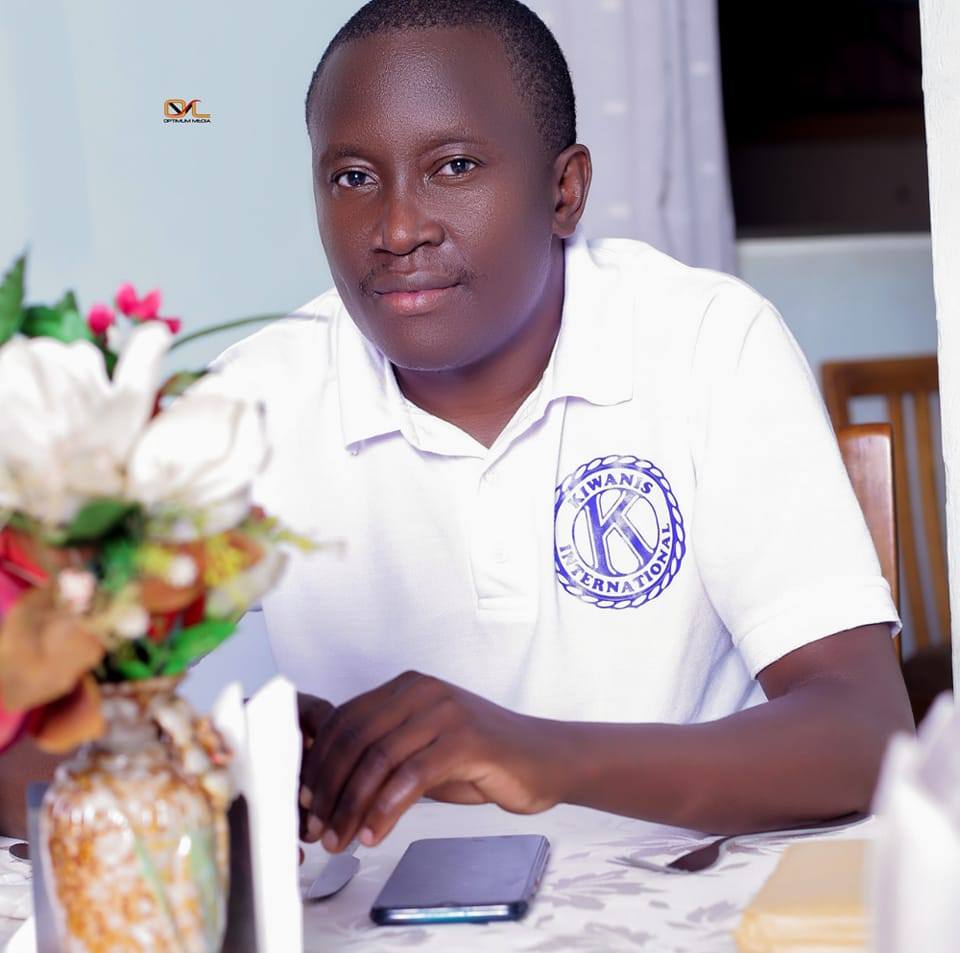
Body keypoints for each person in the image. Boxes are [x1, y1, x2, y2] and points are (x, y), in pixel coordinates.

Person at [0, 0, 914, 845]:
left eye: (456, 167)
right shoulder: (251, 403)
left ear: (564, 191)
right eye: (353, 176)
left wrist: (538, 753)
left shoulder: (707, 342)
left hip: (686, 905)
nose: (397, 226)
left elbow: (865, 734)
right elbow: (24, 757)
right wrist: (223, 768)